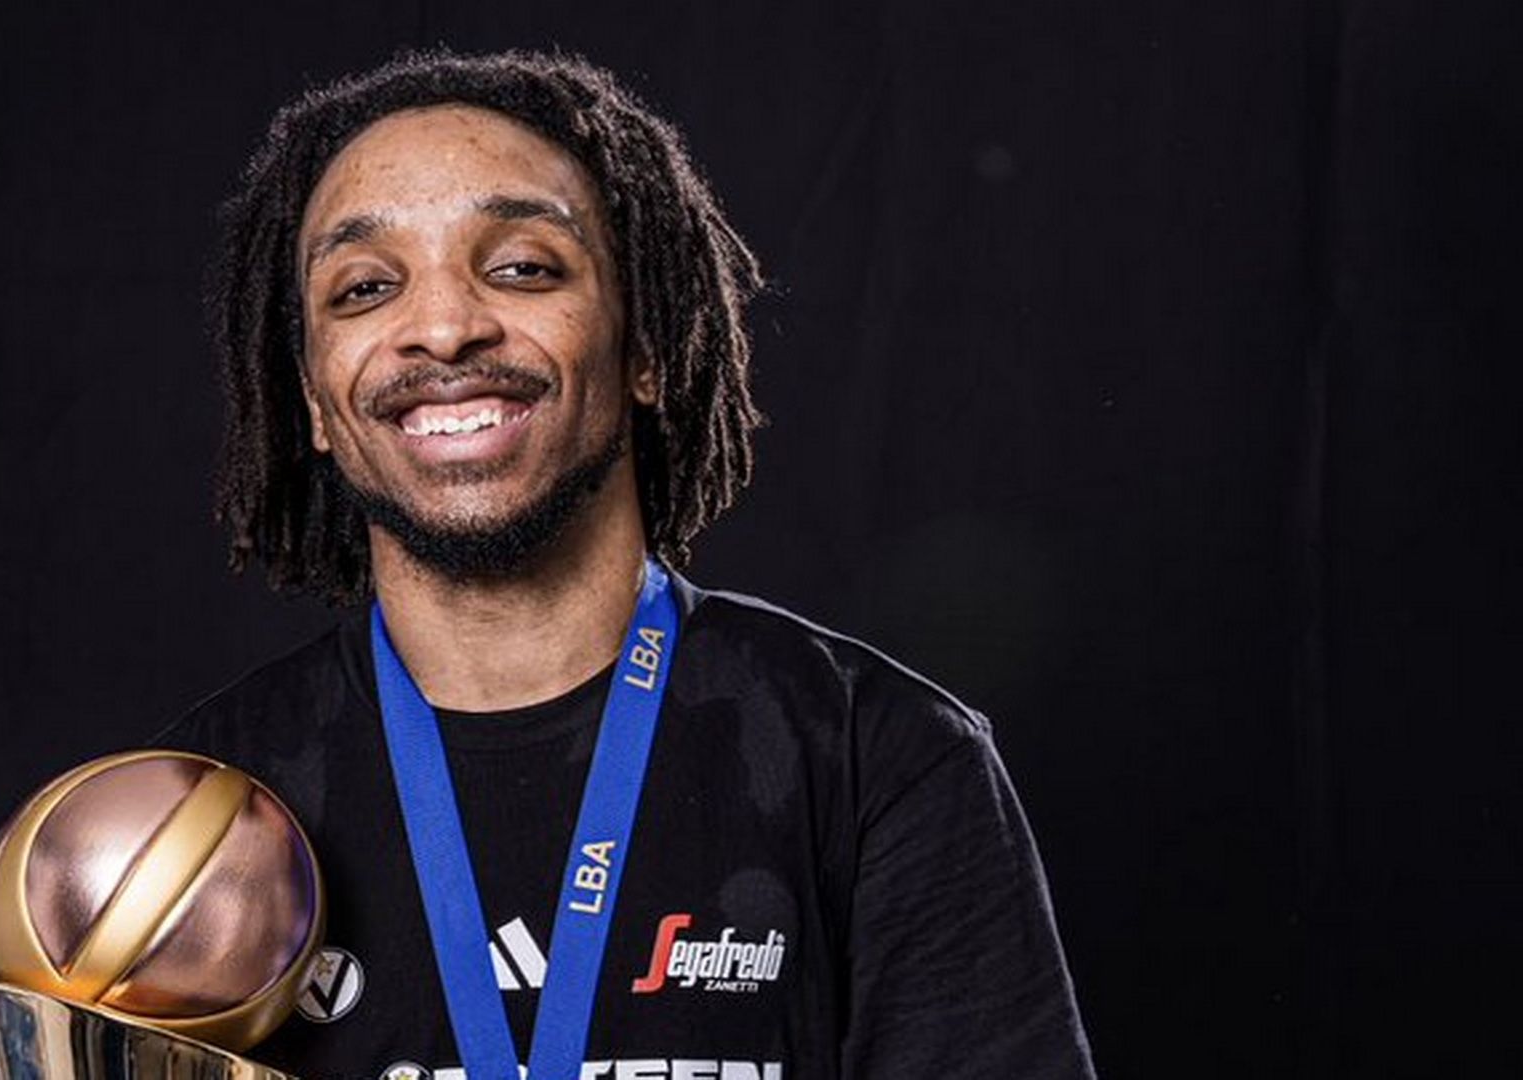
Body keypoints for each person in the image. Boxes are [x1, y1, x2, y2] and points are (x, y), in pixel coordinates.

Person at [160, 49, 1096, 1080]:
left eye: (522, 267)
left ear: (644, 347)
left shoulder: (877, 757)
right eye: (366, 287)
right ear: (313, 400)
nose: (444, 327)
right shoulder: (199, 814)